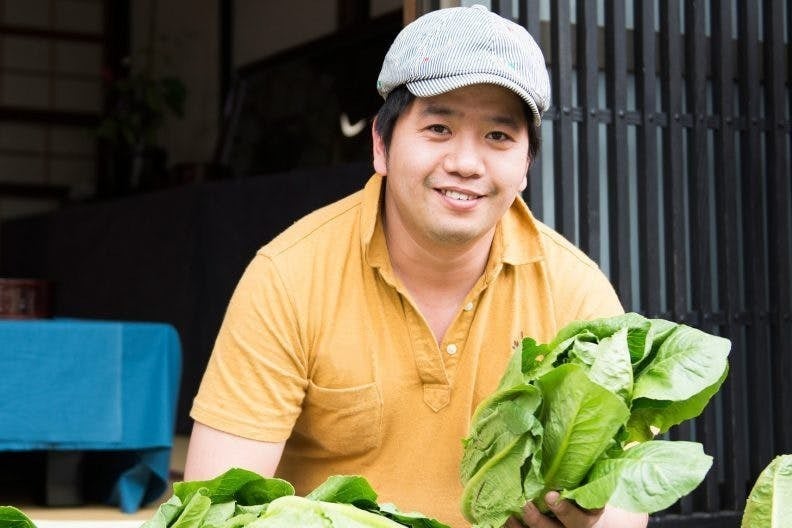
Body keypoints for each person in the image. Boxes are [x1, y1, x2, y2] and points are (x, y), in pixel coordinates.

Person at [184, 5, 648, 528]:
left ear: (525, 167)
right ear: (381, 145)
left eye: (498, 136)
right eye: (438, 127)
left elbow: (627, 503)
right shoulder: (289, 277)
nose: (466, 163)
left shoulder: (574, 291)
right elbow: (212, 507)